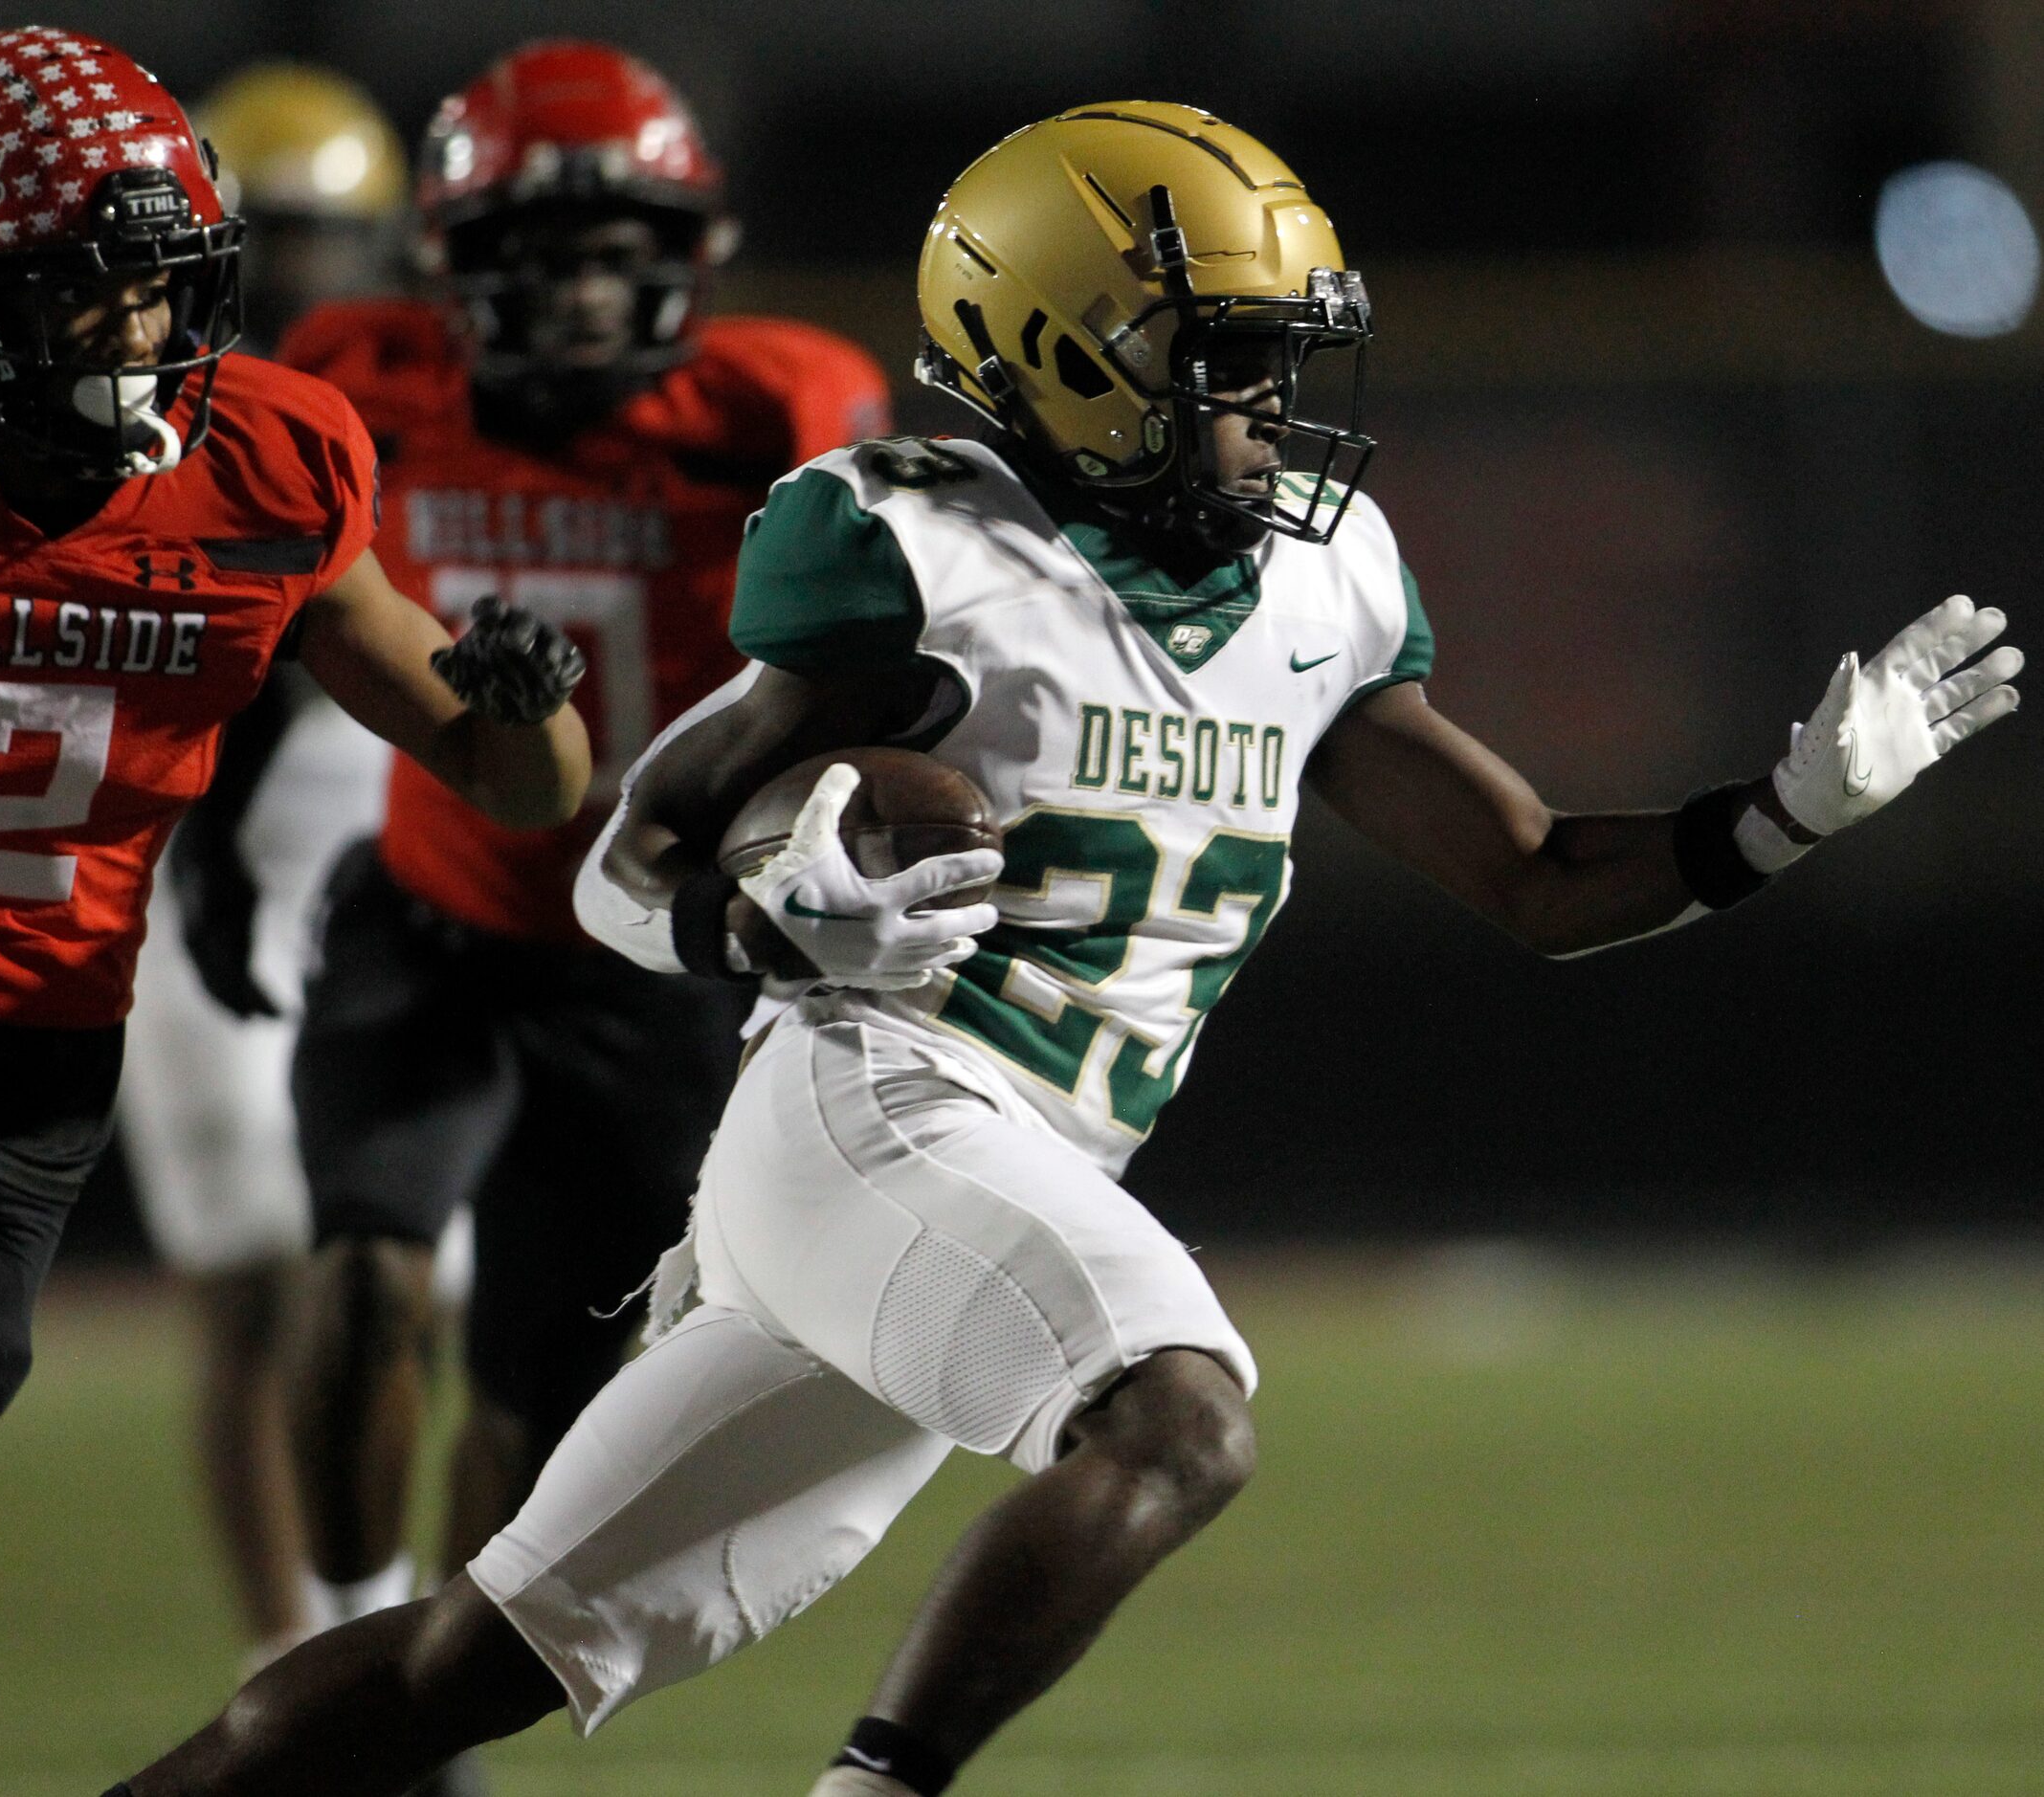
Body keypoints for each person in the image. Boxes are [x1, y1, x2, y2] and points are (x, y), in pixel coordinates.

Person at [104, 100, 2020, 1797]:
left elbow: (1531, 876)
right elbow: (628, 864)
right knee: (1178, 1415)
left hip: (993, 1166)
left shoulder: (1324, 575)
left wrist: (1777, 818)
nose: (1267, 407)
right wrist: (767, 912)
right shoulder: (908, 544)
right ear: (1055, 345)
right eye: (1222, 359)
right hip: (878, 1105)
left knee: (484, 1657)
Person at [0, 26, 591, 1586]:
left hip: (38, 1037)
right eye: (73, 289)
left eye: (158, 279)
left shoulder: (273, 454)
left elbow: (515, 782)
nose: (131, 328)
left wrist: (528, 706)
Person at [265, 31, 891, 1695]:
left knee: (541, 1398)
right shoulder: (359, 372)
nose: (582, 299)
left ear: (687, 259)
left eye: (616, 258)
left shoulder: (782, 407)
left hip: (648, 959)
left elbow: (882, 665)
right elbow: (281, 603)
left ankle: (407, 1698)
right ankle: (333, 1631)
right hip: (434, 913)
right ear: (455, 263)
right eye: (540, 260)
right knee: (361, 1272)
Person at [108, 60, 414, 1675]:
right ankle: (286, 1654)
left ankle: (371, 1635)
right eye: (272, 238)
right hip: (184, 864)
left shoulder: (390, 402)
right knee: (248, 1287)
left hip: (375, 881)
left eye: (330, 238)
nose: (303, 277)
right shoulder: (131, 407)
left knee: (395, 1283)